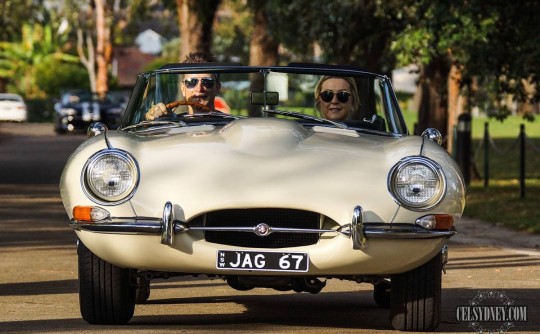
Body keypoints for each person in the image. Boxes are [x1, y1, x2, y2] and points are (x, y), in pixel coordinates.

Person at [145, 52, 228, 120]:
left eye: (207, 82)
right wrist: (153, 118)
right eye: (192, 82)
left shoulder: (230, 125)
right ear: (183, 88)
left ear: (217, 87)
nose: (199, 89)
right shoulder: (171, 124)